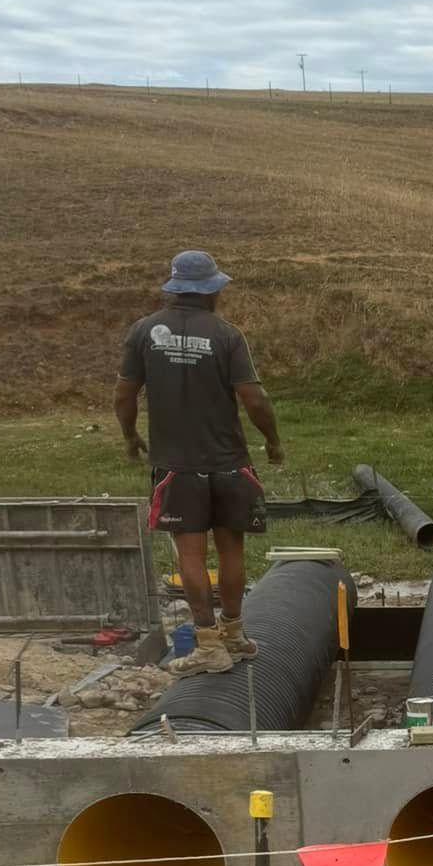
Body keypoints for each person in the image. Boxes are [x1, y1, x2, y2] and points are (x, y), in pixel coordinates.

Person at [114, 250, 285, 676]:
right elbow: (254, 398)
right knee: (232, 549)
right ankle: (235, 636)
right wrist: (273, 442)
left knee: (191, 554)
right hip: (230, 463)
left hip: (177, 466)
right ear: (212, 290)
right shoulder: (227, 335)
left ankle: (208, 646)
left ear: (174, 288)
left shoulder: (143, 333)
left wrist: (130, 435)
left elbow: (123, 395)